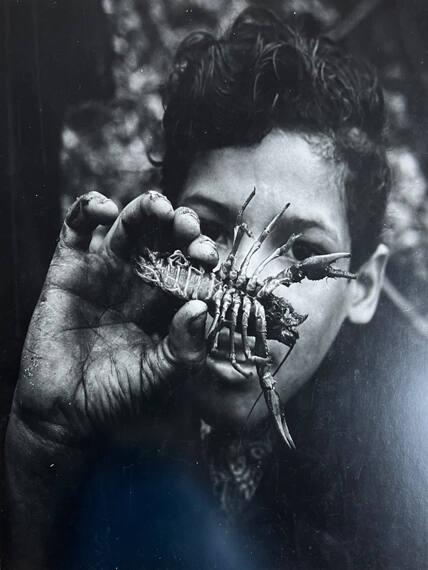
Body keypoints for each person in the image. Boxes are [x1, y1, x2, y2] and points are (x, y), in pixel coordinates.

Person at [5, 7, 391, 569]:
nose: (245, 260)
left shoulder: (393, 488)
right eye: (210, 228)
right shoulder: (91, 403)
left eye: (303, 249)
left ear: (364, 286)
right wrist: (37, 446)